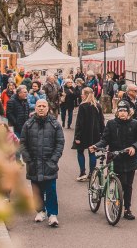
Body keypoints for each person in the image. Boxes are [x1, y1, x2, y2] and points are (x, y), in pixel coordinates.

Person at [91, 99, 137, 220]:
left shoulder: (134, 123)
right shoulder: (111, 124)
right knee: (121, 182)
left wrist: (134, 147)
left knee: (128, 185)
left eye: (125, 110)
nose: (123, 113)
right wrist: (97, 146)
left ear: (129, 112)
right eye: (120, 110)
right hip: (115, 157)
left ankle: (127, 209)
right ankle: (116, 202)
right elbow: (105, 139)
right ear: (117, 112)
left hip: (130, 158)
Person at [20, 99, 64, 227]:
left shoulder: (55, 124)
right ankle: (40, 211)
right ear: (35, 108)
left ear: (47, 108)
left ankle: (52, 214)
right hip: (33, 163)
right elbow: (22, 143)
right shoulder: (28, 124)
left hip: (49, 163)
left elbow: (60, 143)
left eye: (43, 106)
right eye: (38, 106)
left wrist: (54, 159)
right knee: (36, 190)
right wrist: (28, 158)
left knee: (51, 189)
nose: (41, 108)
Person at [72, 87, 104, 180]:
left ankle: (82, 172)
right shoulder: (97, 105)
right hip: (95, 133)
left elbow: (79, 122)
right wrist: (103, 133)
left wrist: (77, 136)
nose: (81, 95)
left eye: (82, 93)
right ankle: (91, 173)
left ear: (86, 95)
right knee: (92, 152)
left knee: (80, 152)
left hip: (83, 133)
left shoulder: (83, 106)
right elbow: (101, 121)